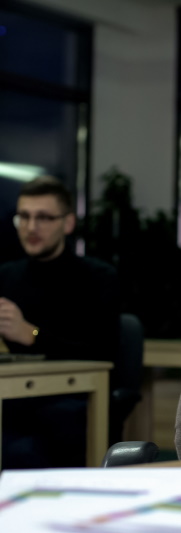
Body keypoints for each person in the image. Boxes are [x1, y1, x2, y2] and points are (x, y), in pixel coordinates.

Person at [0, 176, 120, 468]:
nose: (31, 228)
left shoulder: (97, 277)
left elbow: (102, 352)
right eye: (24, 217)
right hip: (15, 396)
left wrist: (32, 334)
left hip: (71, 399)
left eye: (43, 218)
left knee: (23, 447)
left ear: (67, 224)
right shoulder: (6, 275)